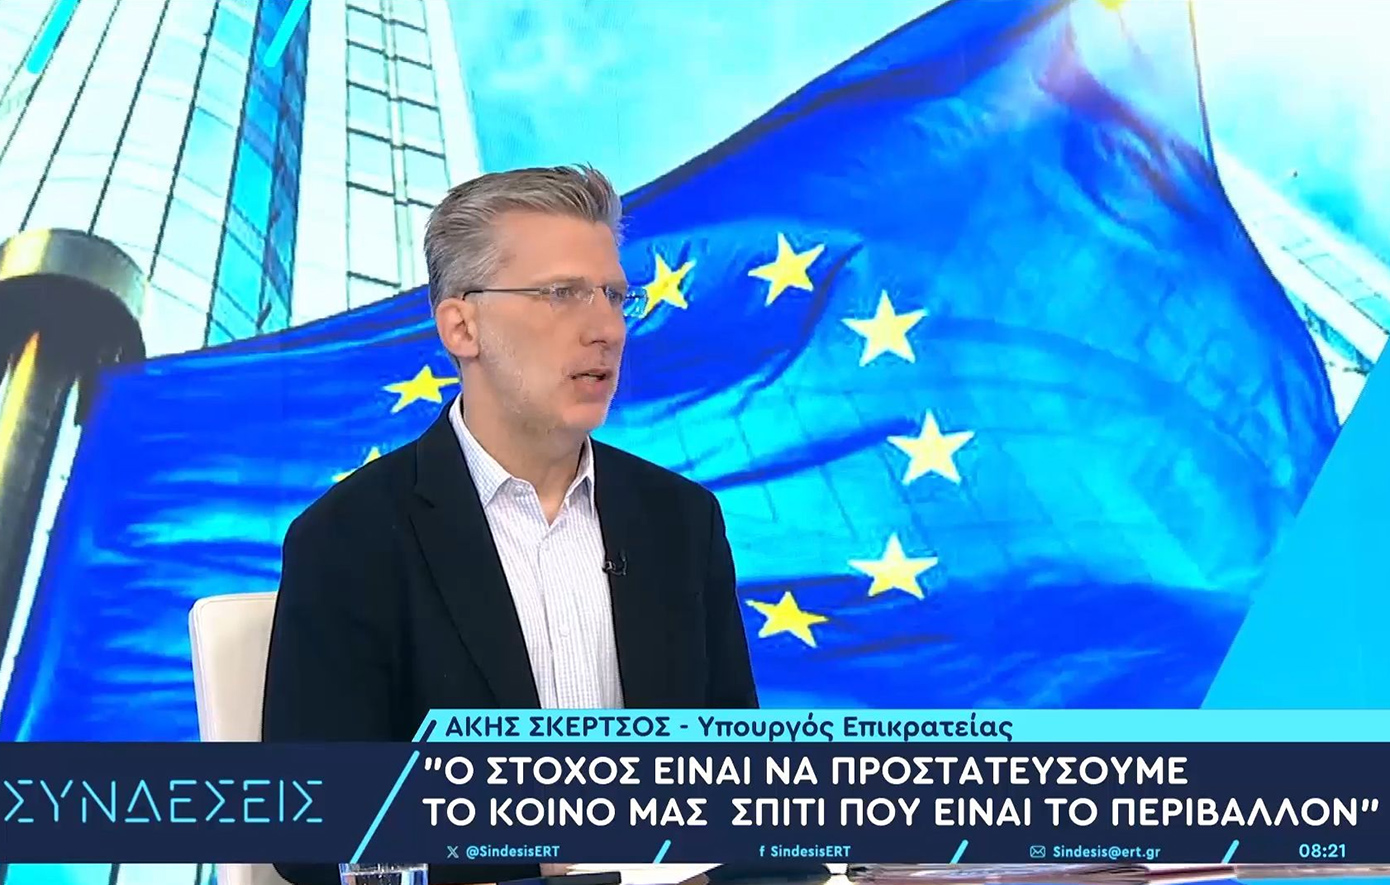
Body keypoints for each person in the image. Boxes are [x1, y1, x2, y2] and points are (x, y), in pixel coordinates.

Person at [261, 165, 758, 885]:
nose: (605, 329)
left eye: (614, 296)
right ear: (462, 326)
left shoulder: (681, 520)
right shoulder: (349, 538)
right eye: (561, 294)